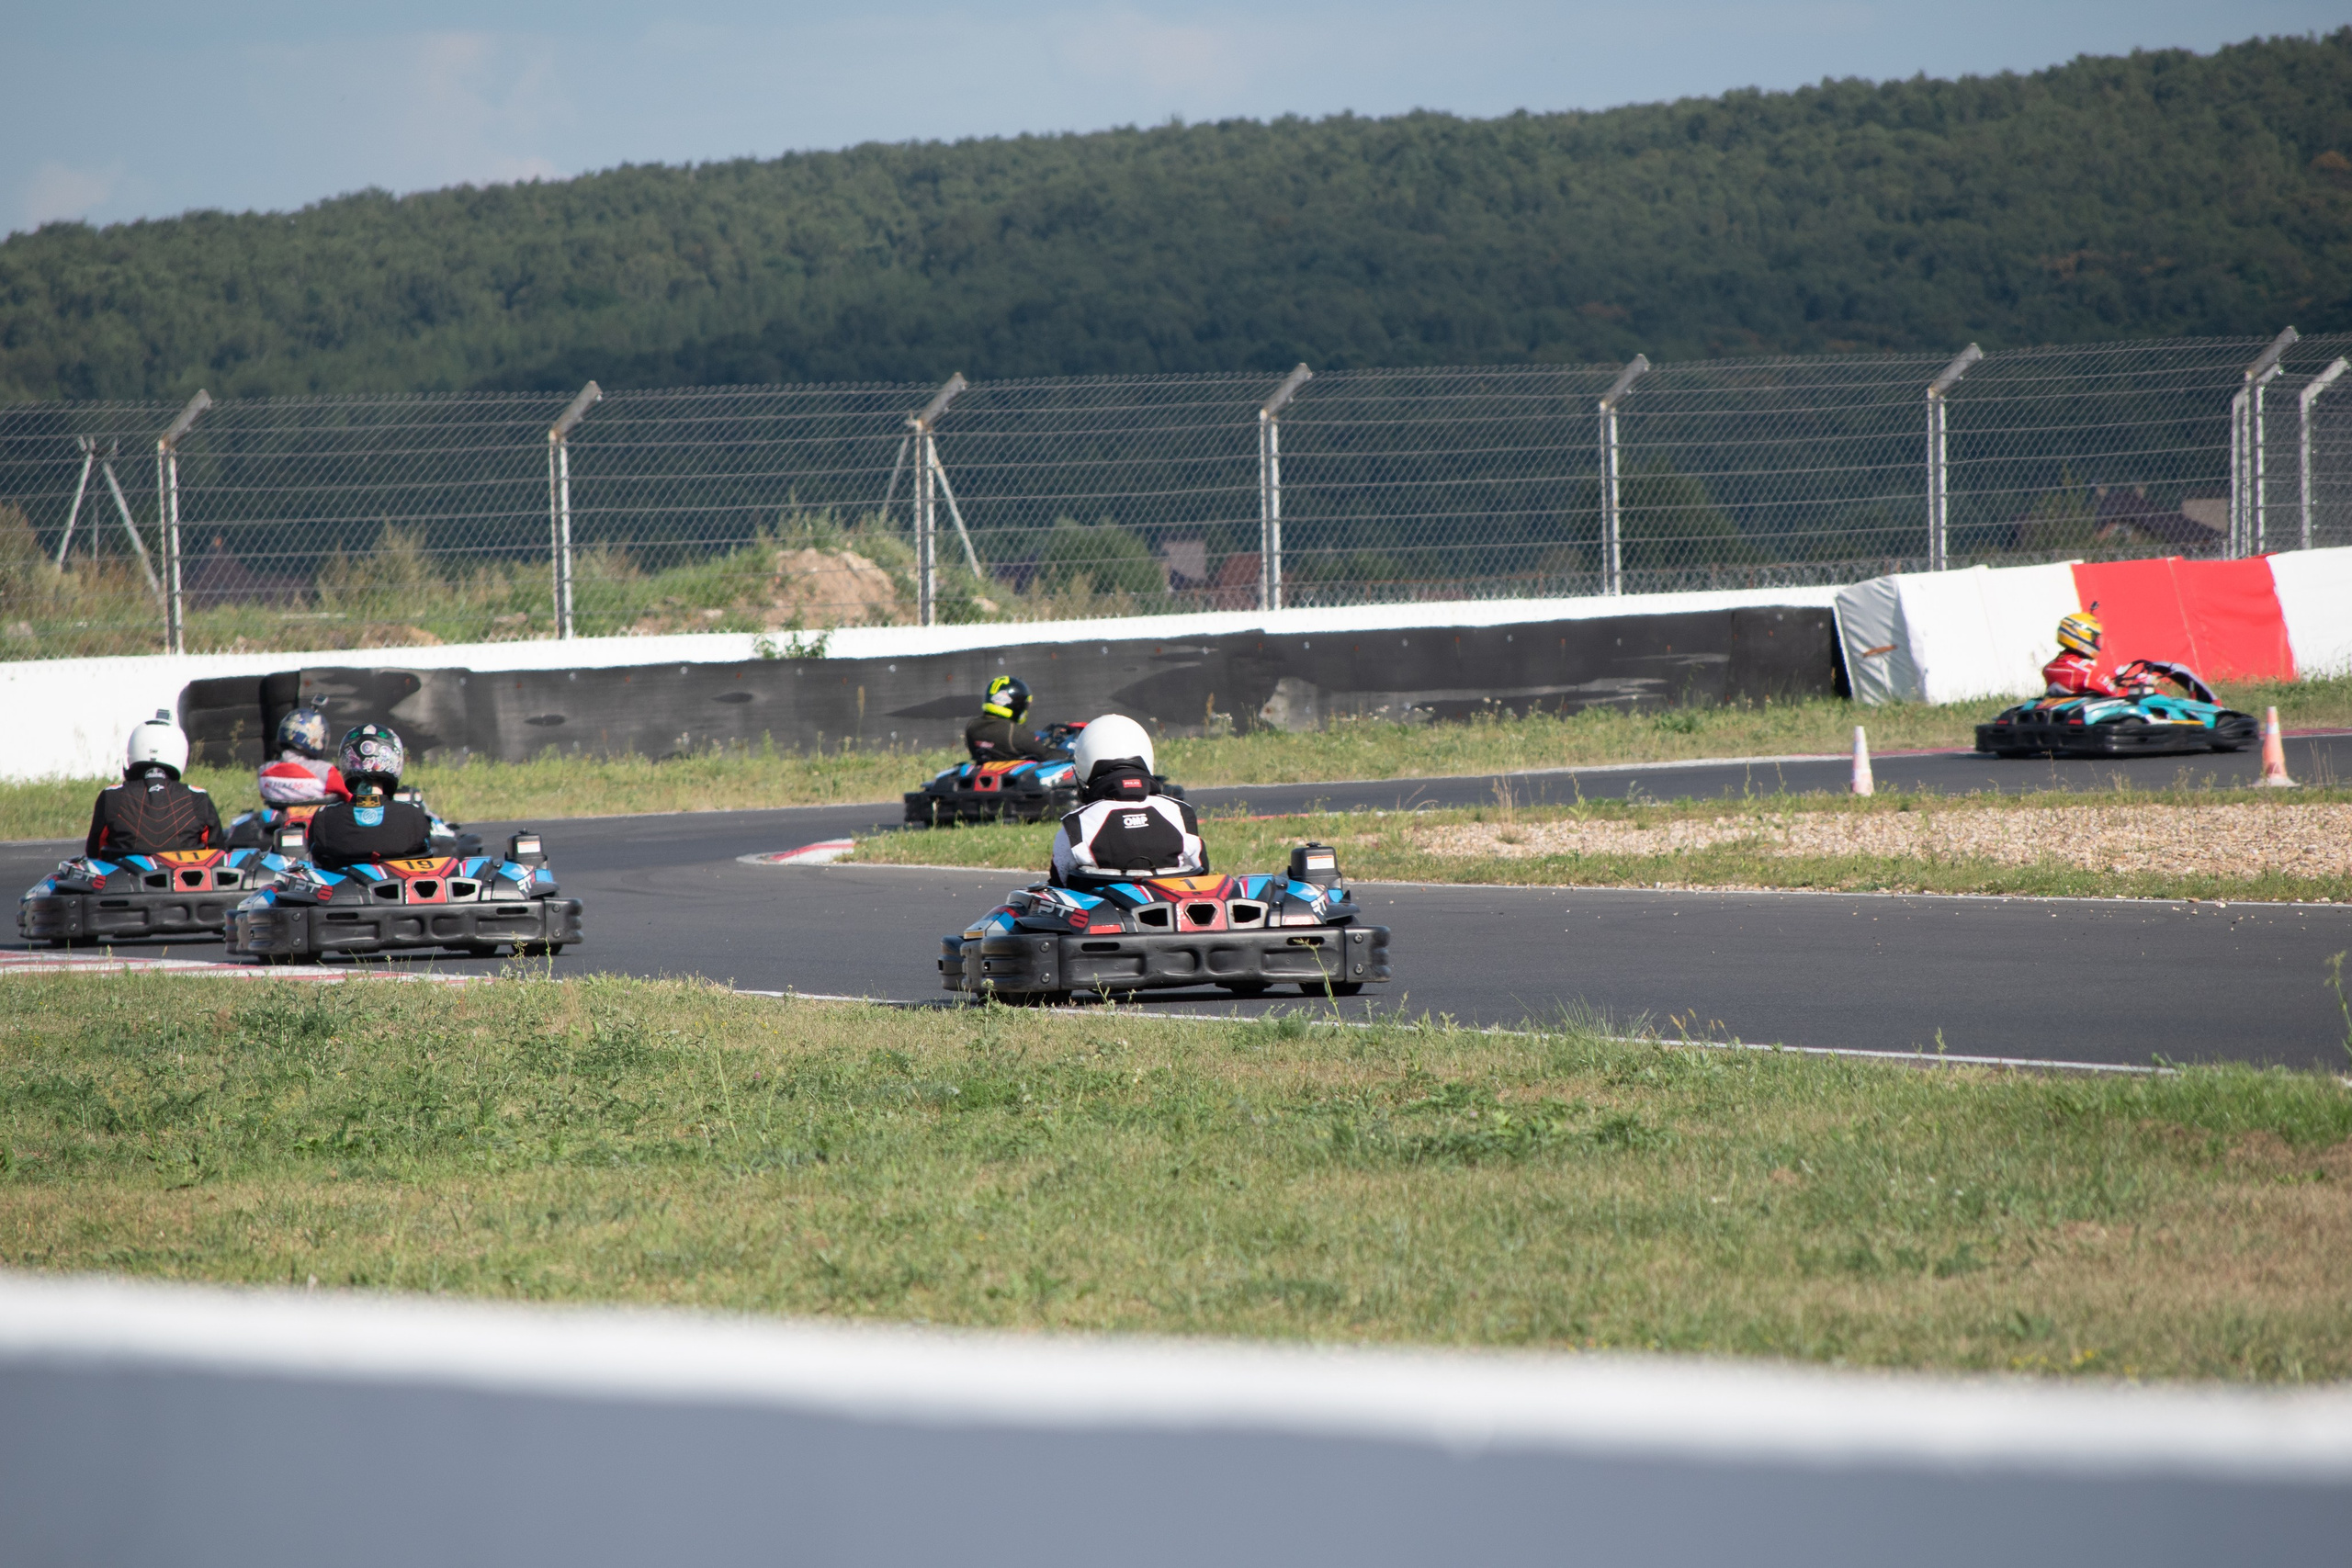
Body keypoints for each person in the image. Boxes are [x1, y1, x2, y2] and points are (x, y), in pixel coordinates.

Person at [1048, 714, 1206, 886]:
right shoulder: (1182, 814)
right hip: (1169, 910)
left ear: (1084, 766)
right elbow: (1202, 875)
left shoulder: (1076, 825)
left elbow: (1059, 885)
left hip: (1108, 911)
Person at [85, 710, 224, 858]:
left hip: (126, 879)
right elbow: (216, 855)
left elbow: (94, 854)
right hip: (185, 879)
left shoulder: (112, 796)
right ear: (180, 751)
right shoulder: (198, 798)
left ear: (134, 749)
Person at [306, 723, 434, 870]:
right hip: (397, 890)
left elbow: (317, 862)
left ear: (347, 761)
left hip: (346, 890)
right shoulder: (413, 815)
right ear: (394, 761)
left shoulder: (325, 818)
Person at [255, 706, 351, 807]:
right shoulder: (326, 771)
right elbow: (350, 796)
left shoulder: (264, 771)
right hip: (315, 820)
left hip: (280, 820)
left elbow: (265, 797)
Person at [965, 675, 1069, 763]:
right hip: (1014, 782)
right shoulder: (1014, 732)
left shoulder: (972, 726)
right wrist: (1069, 752)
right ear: (1015, 704)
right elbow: (1046, 755)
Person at [2041, 606, 2130, 699]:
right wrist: (2139, 684)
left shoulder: (2049, 668)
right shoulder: (2086, 671)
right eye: (2094, 638)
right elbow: (2116, 693)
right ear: (2082, 637)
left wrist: (2114, 674)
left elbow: (2095, 681)